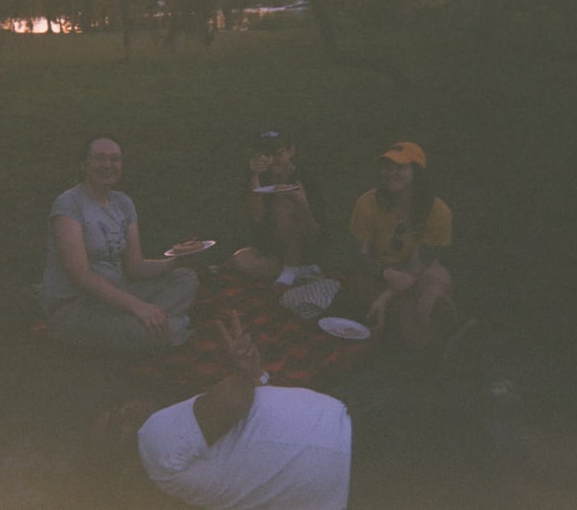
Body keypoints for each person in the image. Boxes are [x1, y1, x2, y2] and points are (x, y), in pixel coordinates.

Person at [89, 311, 353, 509]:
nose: (125, 412)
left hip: (329, 473)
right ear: (124, 466)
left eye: (115, 409)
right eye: (115, 427)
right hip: (337, 440)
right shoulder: (153, 439)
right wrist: (240, 371)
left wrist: (254, 374)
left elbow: (251, 434)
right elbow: (233, 402)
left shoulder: (171, 471)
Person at [38, 134, 199, 353]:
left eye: (115, 159)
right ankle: (165, 325)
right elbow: (80, 276)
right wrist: (137, 306)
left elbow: (134, 266)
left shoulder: (123, 203)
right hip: (77, 305)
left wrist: (176, 262)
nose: (108, 165)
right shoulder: (68, 204)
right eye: (99, 158)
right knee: (152, 331)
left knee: (185, 278)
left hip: (119, 295)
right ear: (84, 164)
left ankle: (153, 323)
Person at [348, 141, 457, 354]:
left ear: (416, 172)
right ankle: (433, 346)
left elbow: (421, 261)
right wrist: (385, 273)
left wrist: (385, 297)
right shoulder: (367, 203)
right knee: (406, 307)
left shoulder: (438, 210)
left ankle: (435, 334)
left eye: (400, 168)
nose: (391, 174)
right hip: (378, 270)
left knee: (435, 281)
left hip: (417, 272)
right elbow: (357, 254)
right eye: (386, 167)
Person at [227, 130, 326, 292]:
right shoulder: (261, 177)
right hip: (275, 251)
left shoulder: (305, 177)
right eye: (265, 155)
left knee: (281, 207)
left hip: (305, 248)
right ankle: (298, 273)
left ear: (291, 151)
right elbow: (257, 218)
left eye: (278, 153)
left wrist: (302, 204)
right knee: (240, 260)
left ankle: (293, 269)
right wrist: (254, 176)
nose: (271, 161)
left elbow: (315, 235)